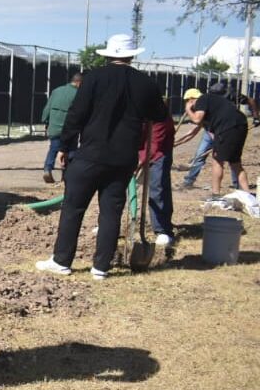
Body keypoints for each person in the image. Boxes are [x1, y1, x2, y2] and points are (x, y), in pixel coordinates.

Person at [35, 34, 166, 280]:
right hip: (123, 159)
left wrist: (64, 145)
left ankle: (62, 261)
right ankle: (101, 267)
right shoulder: (145, 83)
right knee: (111, 212)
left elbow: (77, 114)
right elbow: (159, 114)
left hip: (90, 155)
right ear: (131, 55)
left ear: (108, 55)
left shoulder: (93, 78)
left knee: (73, 207)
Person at [184, 85, 252, 200]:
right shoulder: (213, 103)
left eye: (187, 102)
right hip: (241, 124)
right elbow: (202, 130)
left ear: (190, 100)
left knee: (217, 161)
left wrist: (188, 109)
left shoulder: (201, 100)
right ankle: (247, 195)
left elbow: (196, 119)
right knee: (235, 163)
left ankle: (215, 195)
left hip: (228, 128)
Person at [178, 83, 239, 190]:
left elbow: (197, 122)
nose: (187, 104)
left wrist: (188, 110)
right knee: (199, 155)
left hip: (222, 132)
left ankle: (237, 185)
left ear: (192, 99)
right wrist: (176, 143)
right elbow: (193, 131)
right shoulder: (201, 108)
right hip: (210, 133)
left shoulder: (204, 105)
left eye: (187, 101)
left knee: (231, 159)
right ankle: (189, 181)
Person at [140, 106, 176, 246]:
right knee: (116, 188)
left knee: (158, 188)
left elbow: (155, 144)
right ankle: (110, 226)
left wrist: (140, 159)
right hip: (136, 147)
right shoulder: (129, 107)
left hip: (160, 151)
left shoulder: (160, 113)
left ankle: (163, 230)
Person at [42, 73, 82, 183]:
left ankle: (47, 168)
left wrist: (46, 122)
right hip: (70, 128)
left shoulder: (56, 91)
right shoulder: (78, 93)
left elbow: (47, 108)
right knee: (70, 151)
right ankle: (66, 175)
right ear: (79, 83)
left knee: (54, 148)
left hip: (54, 126)